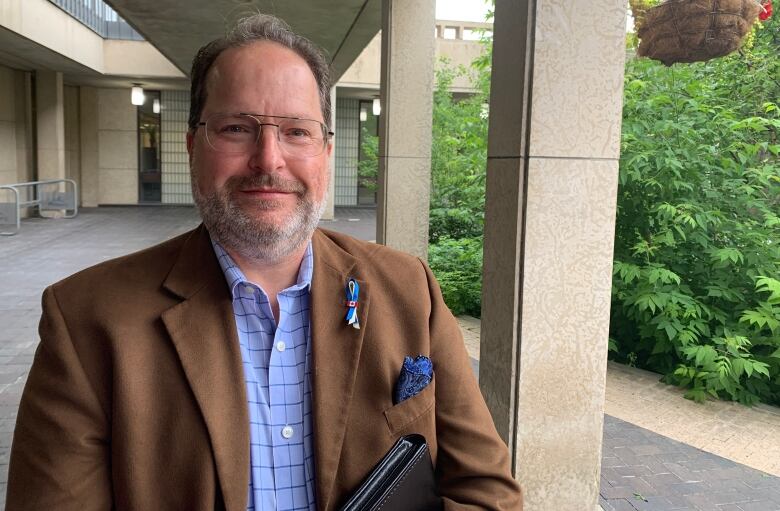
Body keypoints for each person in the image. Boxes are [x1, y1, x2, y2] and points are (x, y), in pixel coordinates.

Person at [6, 13, 522, 511]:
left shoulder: (408, 289)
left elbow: (486, 489)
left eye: (297, 131)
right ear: (193, 147)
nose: (269, 160)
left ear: (325, 150)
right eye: (236, 129)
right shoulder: (86, 318)